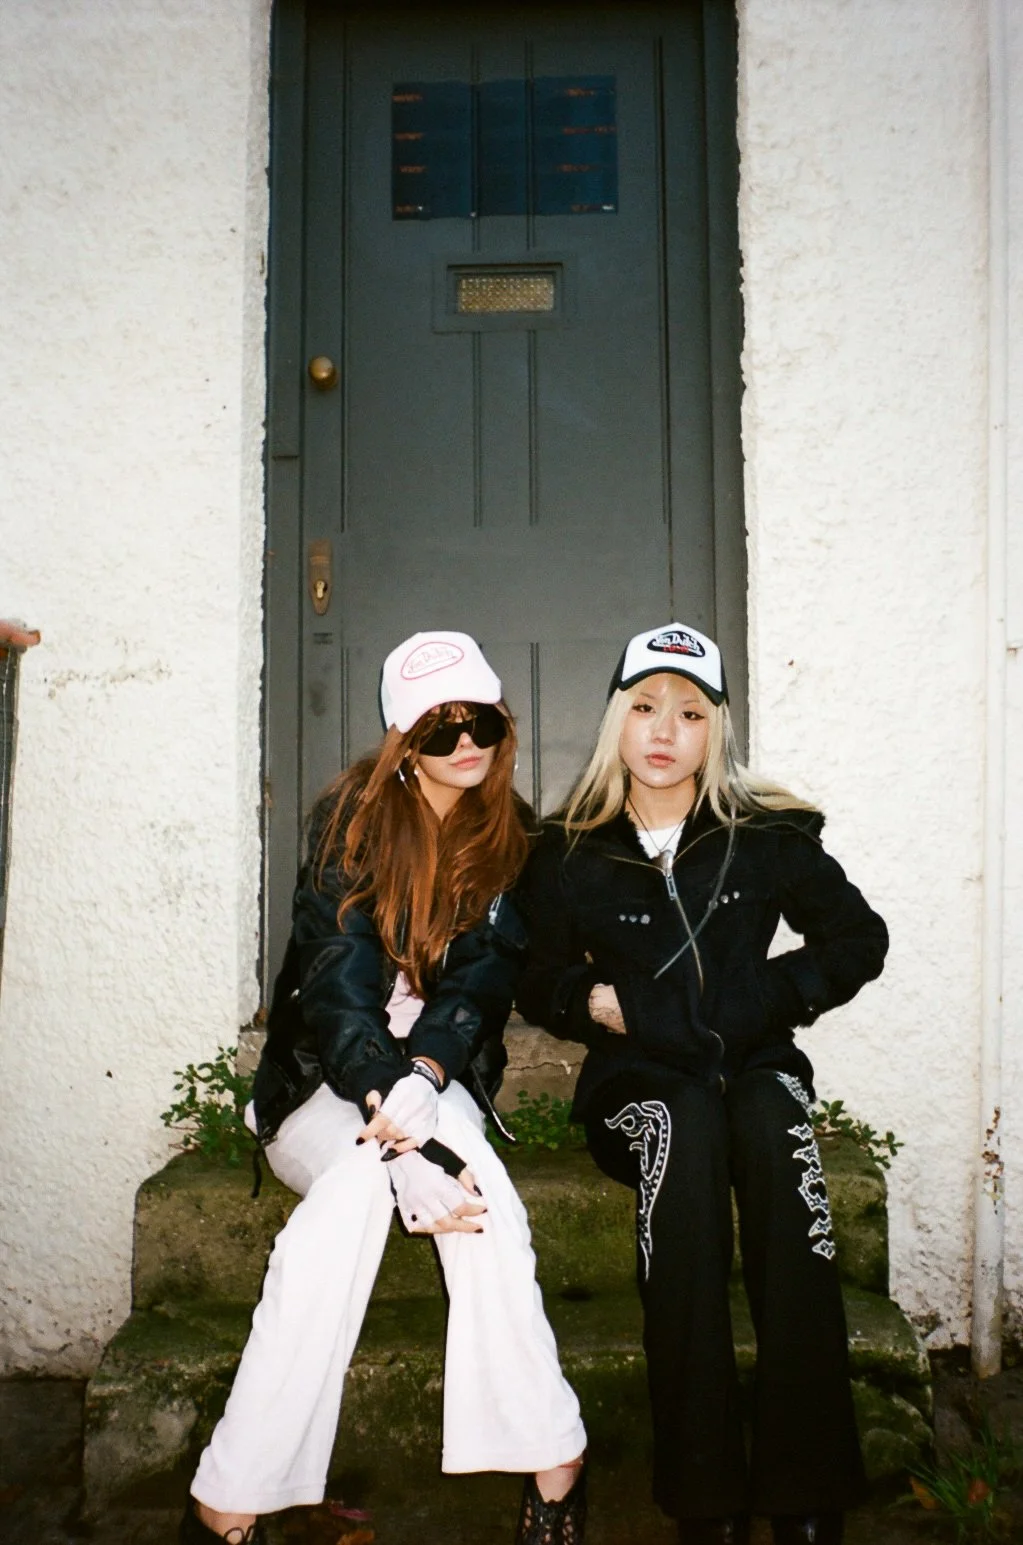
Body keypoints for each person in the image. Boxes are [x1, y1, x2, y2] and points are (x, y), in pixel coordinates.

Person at [181, 631, 587, 1545]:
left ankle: (228, 1504)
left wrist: (427, 1085)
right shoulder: (350, 825)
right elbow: (336, 987)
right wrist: (390, 1113)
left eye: (479, 720)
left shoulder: (512, 838)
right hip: (328, 1086)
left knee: (478, 1200)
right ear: (402, 740)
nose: (464, 745)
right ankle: (552, 1456)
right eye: (438, 729)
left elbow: (483, 981)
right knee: (365, 1181)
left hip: (432, 1081)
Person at [516, 623, 889, 1545]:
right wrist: (597, 1002)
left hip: (753, 1069)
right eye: (644, 707)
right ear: (617, 719)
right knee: (681, 1128)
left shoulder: (764, 839)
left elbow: (857, 939)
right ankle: (705, 1495)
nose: (663, 731)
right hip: (638, 1085)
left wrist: (764, 998)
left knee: (768, 1122)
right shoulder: (570, 851)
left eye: (689, 712)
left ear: (714, 728)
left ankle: (806, 1487)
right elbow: (533, 974)